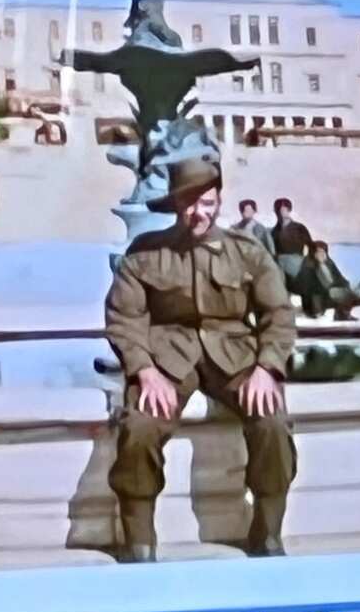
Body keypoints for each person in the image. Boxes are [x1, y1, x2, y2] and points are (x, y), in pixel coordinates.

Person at [104, 156, 297, 561]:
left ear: (219, 200)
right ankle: (139, 542)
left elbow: (278, 314)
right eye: (190, 203)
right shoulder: (145, 254)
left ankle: (267, 532)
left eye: (207, 202)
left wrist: (266, 367)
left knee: (273, 422)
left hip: (234, 355)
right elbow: (125, 316)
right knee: (139, 424)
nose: (199, 212)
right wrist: (143, 369)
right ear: (176, 205)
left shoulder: (248, 252)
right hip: (168, 356)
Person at [270, 197, 313, 290]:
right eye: (278, 210)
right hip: (278, 264)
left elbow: (311, 246)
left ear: (289, 210)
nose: (281, 212)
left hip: (297, 263)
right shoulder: (274, 231)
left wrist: (308, 262)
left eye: (284, 209)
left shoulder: (299, 228)